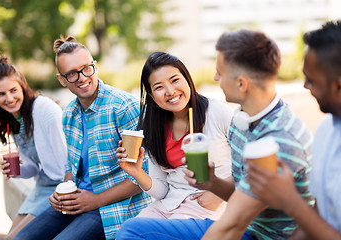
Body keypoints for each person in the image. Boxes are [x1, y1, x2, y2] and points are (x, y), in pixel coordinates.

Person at [115, 30, 314, 240]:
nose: (214, 78)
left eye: (220, 72)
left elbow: (237, 218)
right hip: (239, 224)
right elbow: (243, 192)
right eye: (159, 87)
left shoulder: (277, 140)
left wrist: (212, 196)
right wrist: (212, 183)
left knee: (133, 231)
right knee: (131, 230)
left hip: (255, 232)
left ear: (241, 83)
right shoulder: (242, 120)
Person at [15, 36, 152, 240]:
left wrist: (95, 200)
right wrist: (63, 193)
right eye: (71, 73)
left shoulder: (124, 107)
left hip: (114, 208)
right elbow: (72, 168)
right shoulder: (69, 114)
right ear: (61, 79)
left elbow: (143, 178)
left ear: (94, 66)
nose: (81, 77)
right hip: (80, 201)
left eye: (86, 68)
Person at [247, 20, 341, 239]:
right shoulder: (327, 129)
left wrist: (289, 200)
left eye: (311, 79)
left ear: (338, 84)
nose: (305, 86)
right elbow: (319, 216)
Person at [116, 52, 232, 221]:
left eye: (175, 80)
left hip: (209, 208)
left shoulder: (218, 112)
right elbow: (163, 191)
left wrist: (218, 196)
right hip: (169, 206)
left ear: (187, 79)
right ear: (151, 96)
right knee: (129, 231)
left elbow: (249, 163)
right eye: (159, 87)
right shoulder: (153, 128)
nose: (170, 91)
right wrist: (136, 172)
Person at [0, 55, 67, 239]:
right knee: (9, 237)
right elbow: (33, 168)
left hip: (60, 187)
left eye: (13, 90)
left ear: (22, 85)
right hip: (42, 186)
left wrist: (66, 192)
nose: (9, 98)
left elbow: (66, 158)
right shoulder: (14, 120)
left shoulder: (44, 109)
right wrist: (16, 171)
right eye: (1, 94)